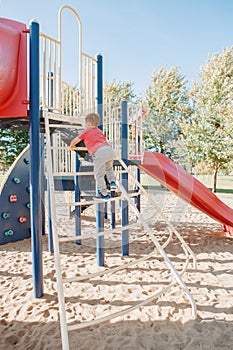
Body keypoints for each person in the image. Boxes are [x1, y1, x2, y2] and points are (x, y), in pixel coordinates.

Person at [70, 112, 116, 200]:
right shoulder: (99, 131)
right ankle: (112, 182)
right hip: (109, 150)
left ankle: (104, 194)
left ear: (88, 124)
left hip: (99, 152)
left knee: (99, 174)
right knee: (109, 169)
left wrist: (72, 146)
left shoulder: (86, 131)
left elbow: (75, 140)